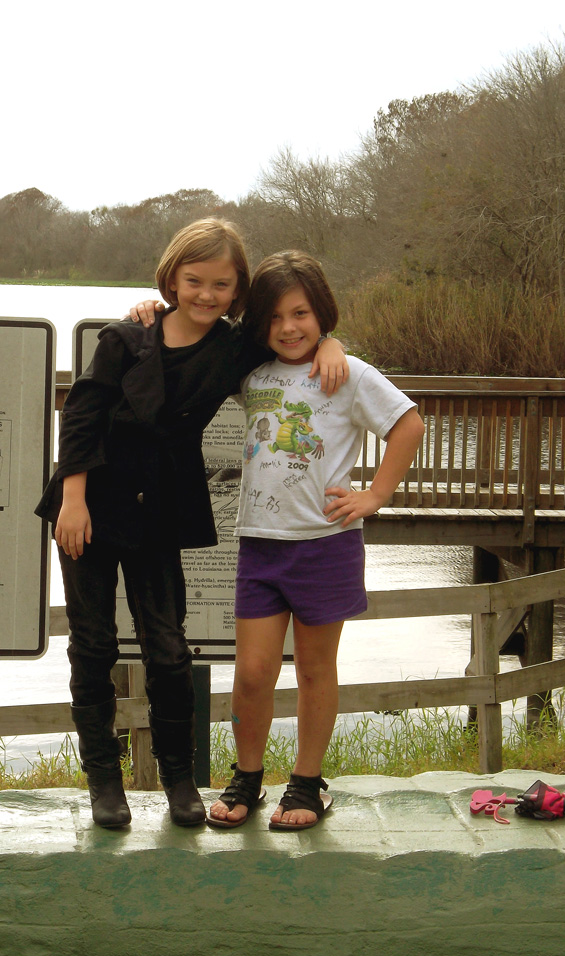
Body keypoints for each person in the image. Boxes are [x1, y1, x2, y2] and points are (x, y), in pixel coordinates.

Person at [36, 220, 349, 829]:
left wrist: (331, 342)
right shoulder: (128, 337)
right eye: (194, 280)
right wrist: (73, 500)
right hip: (91, 504)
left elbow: (296, 338)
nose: (206, 294)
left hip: (160, 509)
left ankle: (180, 782)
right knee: (93, 647)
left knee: (170, 650)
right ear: (172, 279)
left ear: (238, 294)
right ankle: (105, 783)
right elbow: (82, 415)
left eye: (221, 285)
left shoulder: (234, 348)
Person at [205, 250, 424, 830]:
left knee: (313, 670)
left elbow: (408, 424)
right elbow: (196, 339)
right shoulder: (250, 372)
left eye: (301, 314)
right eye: (275, 318)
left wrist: (375, 495)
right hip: (260, 545)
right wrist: (153, 310)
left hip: (326, 544)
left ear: (320, 312)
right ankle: (247, 778)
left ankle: (305, 785)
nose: (288, 328)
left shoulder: (346, 372)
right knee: (252, 672)